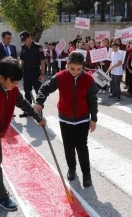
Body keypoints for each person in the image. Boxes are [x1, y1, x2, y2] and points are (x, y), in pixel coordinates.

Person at [0, 57, 46, 211]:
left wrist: (37, 117)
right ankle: (2, 197)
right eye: (13, 82)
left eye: (18, 82)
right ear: (1, 78)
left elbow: (24, 104)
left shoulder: (11, 89)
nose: (15, 85)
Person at [34, 51, 98, 187]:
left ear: (83, 67)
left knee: (82, 146)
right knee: (68, 145)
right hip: (65, 118)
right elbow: (45, 88)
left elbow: (93, 99)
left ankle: (86, 173)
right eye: (72, 68)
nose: (75, 72)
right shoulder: (60, 77)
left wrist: (94, 119)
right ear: (67, 65)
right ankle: (71, 168)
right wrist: (39, 102)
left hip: (82, 118)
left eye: (79, 69)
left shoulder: (88, 79)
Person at [19, 31, 46, 118]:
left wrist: (42, 74)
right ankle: (28, 110)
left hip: (35, 73)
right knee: (27, 91)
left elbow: (42, 61)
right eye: (23, 40)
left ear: (29, 38)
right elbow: (22, 60)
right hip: (26, 73)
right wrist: (19, 69)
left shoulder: (38, 47)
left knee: (39, 91)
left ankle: (39, 109)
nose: (24, 42)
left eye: (25, 40)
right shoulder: (23, 47)